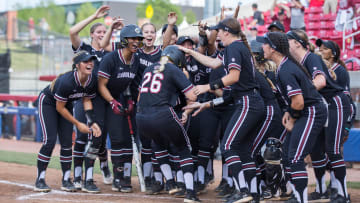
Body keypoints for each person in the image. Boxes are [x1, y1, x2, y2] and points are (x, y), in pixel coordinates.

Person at [180, 17, 265, 202]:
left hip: (248, 101)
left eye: (219, 31)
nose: (217, 34)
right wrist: (190, 52)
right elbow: (212, 63)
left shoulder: (234, 47)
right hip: (249, 101)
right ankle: (253, 194)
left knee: (228, 146)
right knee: (242, 150)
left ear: (226, 32)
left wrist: (207, 87)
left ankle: (243, 191)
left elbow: (234, 77)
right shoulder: (235, 48)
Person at [257, 32, 327, 203]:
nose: (262, 47)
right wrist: (289, 112)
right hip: (304, 111)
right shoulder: (283, 66)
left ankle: (300, 199)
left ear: (273, 48)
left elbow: (299, 102)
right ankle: (296, 195)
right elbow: (295, 102)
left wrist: (293, 118)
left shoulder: (286, 69)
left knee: (295, 157)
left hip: (311, 112)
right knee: (288, 155)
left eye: (264, 44)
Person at [287, 30, 351, 202]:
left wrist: (301, 94)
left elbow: (321, 82)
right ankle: (322, 189)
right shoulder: (298, 62)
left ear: (297, 43)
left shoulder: (311, 58)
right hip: (322, 107)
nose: (286, 43)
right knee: (316, 150)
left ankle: (343, 194)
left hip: (335, 103)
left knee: (333, 150)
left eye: (289, 40)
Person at [136, 45, 200, 203]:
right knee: (183, 149)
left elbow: (139, 98)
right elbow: (192, 96)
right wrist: (185, 112)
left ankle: (170, 182)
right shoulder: (174, 69)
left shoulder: (149, 68)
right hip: (162, 114)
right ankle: (191, 193)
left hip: (141, 117)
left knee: (158, 144)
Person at [34, 51, 101, 192]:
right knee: (50, 141)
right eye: (85, 61)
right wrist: (78, 124)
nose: (90, 63)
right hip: (48, 103)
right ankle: (40, 179)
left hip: (66, 105)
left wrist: (92, 122)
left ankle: (66, 180)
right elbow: (59, 107)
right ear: (77, 65)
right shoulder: (67, 81)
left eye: (91, 60)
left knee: (66, 143)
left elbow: (87, 100)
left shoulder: (92, 80)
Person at [69, 5, 119, 192]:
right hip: (84, 100)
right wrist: (94, 16)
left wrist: (113, 28)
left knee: (99, 139)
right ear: (91, 34)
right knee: (82, 137)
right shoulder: (84, 49)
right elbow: (72, 31)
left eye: (104, 31)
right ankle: (78, 177)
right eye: (98, 31)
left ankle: (104, 166)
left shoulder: (109, 53)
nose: (101, 34)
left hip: (103, 101)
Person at [97, 24, 142, 193]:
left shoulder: (136, 59)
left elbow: (128, 83)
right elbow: (101, 85)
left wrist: (129, 99)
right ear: (124, 40)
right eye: (133, 39)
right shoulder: (111, 59)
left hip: (121, 97)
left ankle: (126, 178)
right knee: (116, 138)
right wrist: (112, 102)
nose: (136, 42)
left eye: (139, 39)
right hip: (104, 99)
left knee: (126, 140)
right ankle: (116, 177)